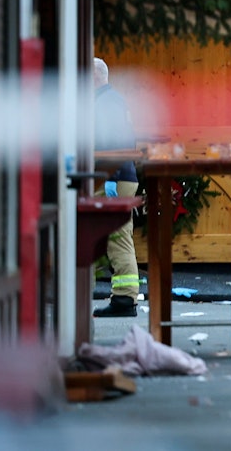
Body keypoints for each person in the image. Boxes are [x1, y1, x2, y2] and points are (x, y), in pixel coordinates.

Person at [91, 57, 141, 318]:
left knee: (112, 233)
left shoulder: (105, 103)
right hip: (121, 175)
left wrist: (110, 178)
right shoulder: (114, 101)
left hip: (114, 176)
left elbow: (116, 143)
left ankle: (123, 299)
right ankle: (124, 297)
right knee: (118, 234)